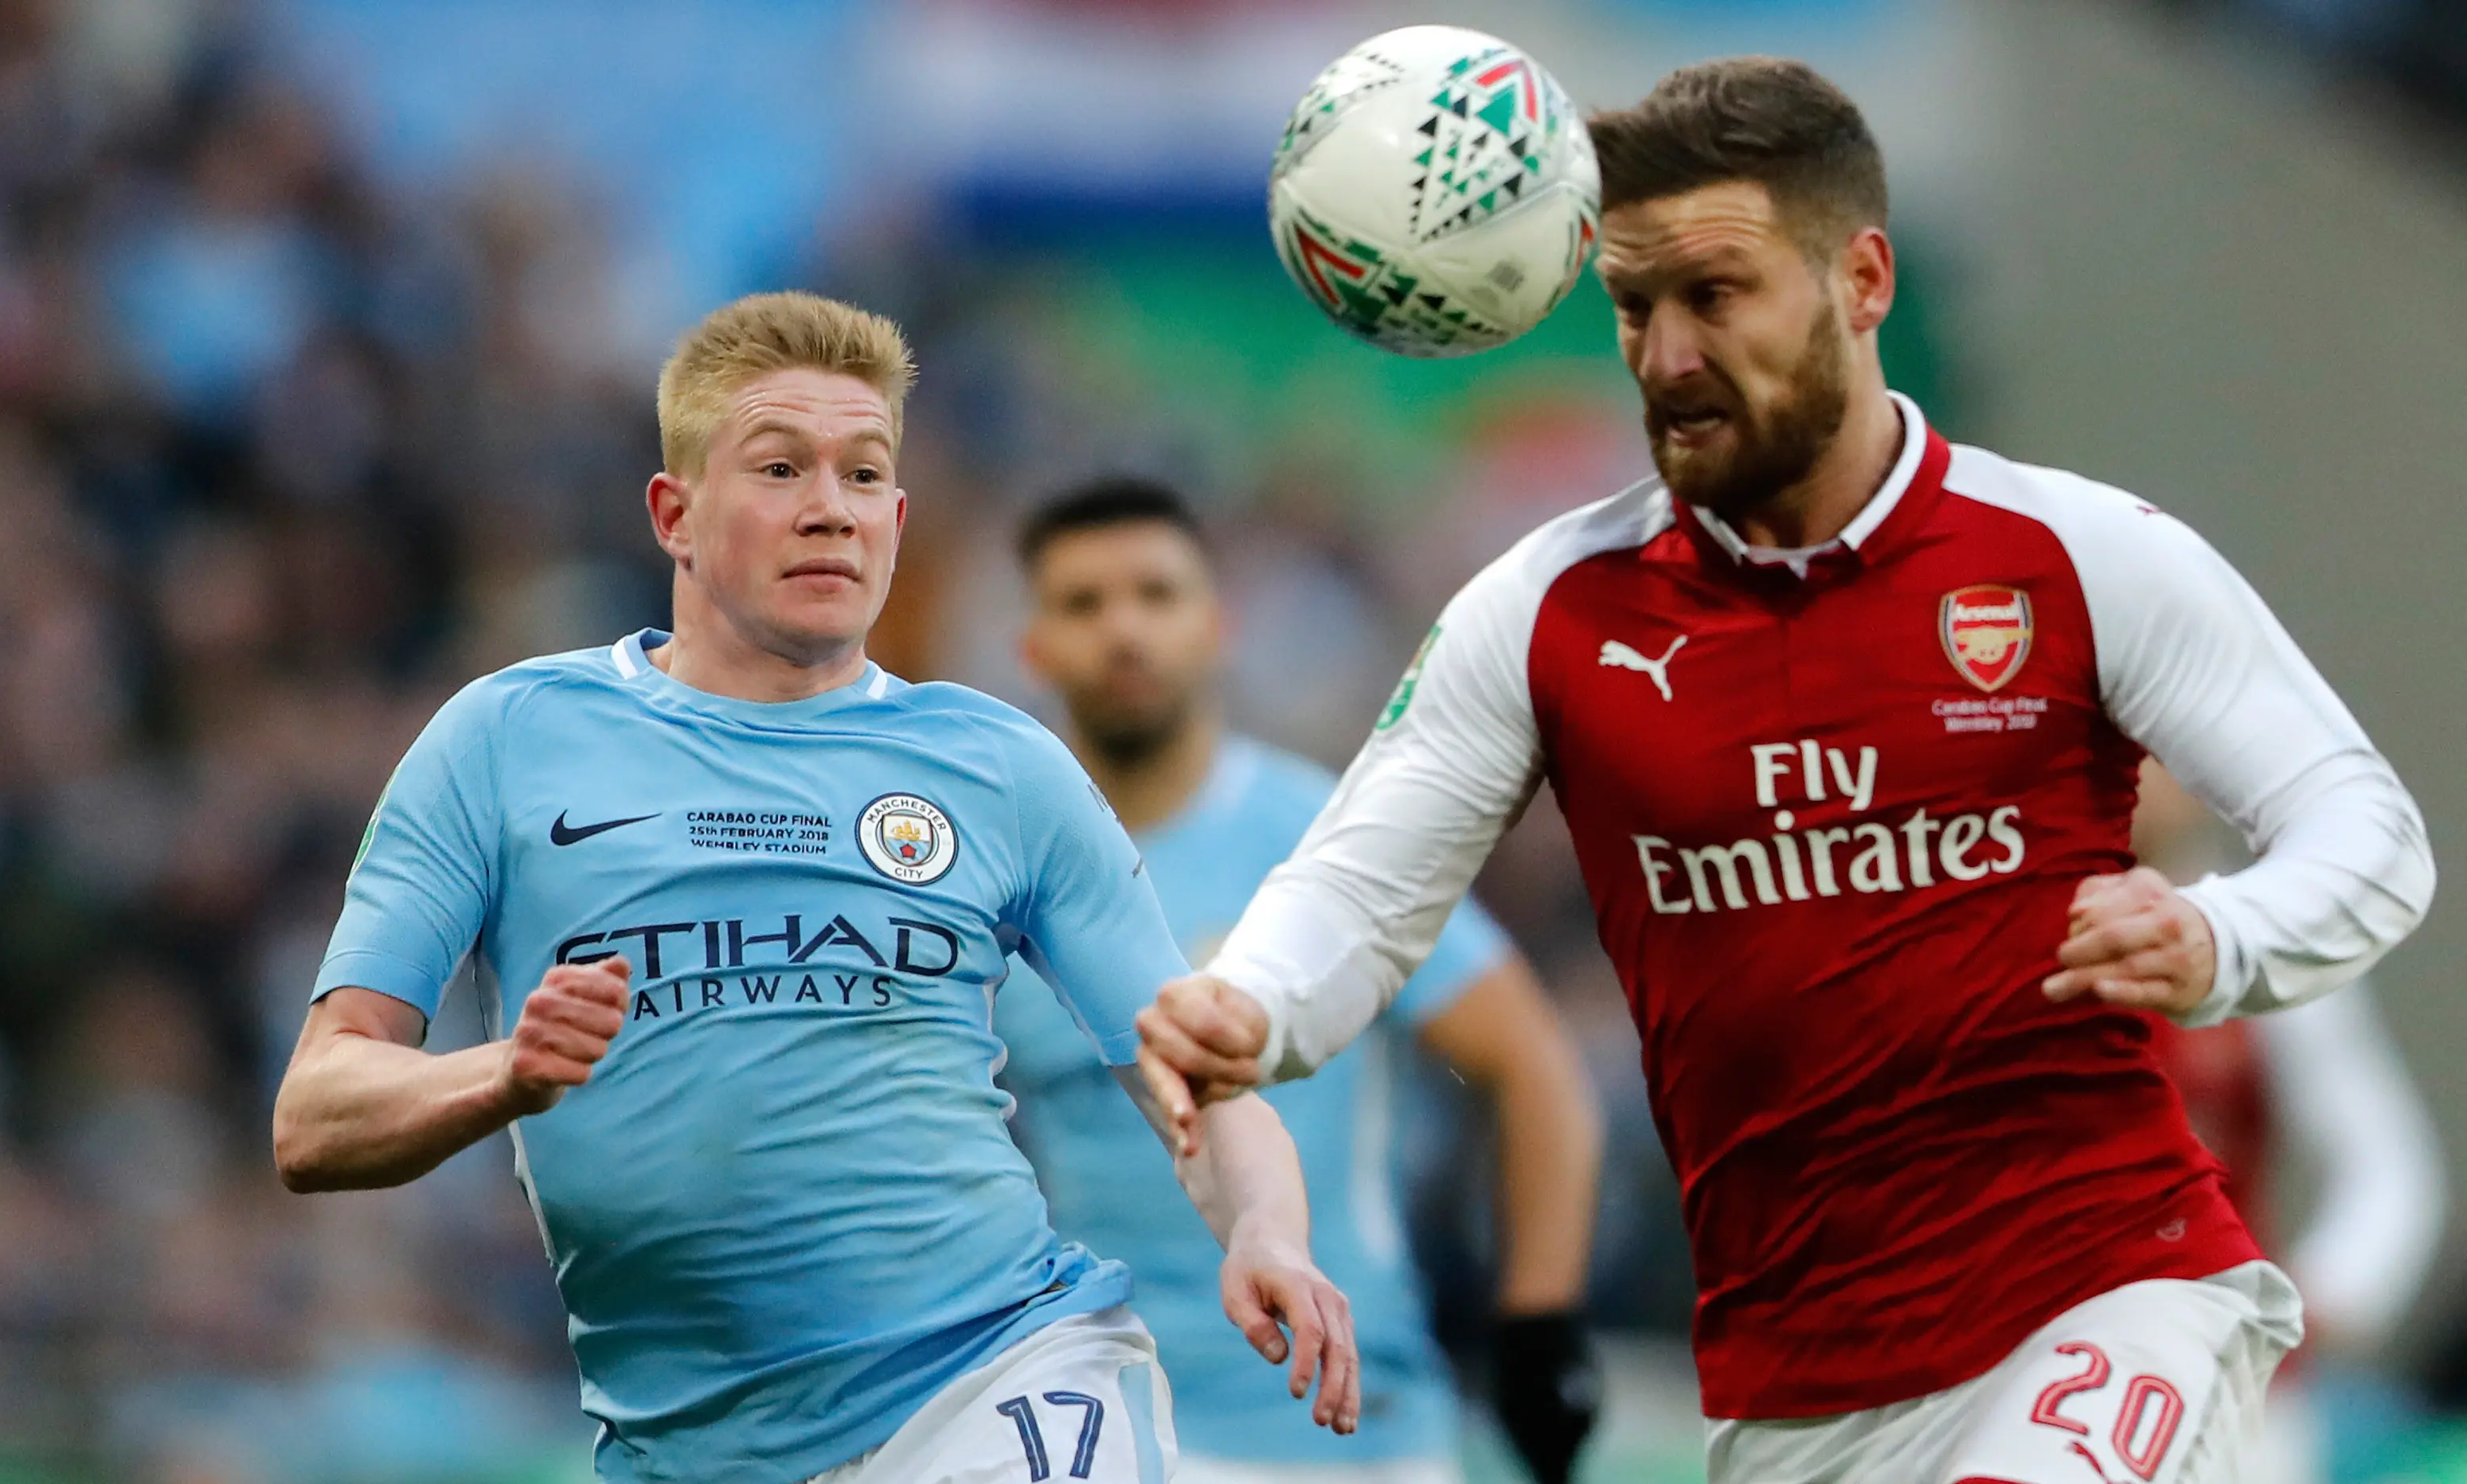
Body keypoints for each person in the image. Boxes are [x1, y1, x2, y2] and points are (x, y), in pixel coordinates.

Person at [1132, 58, 2435, 1484]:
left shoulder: (2076, 553)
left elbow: (2364, 830)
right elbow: (1357, 888)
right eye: (1633, 307)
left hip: (2109, 1286)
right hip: (1793, 1379)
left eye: (1714, 294)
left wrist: (2217, 931)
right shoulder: (1544, 610)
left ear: (1860, 280)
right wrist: (1248, 1000)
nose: (1665, 354)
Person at [269, 292, 1359, 1484]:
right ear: (675, 515)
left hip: (993, 1377)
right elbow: (314, 1113)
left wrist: (1266, 1226)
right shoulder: (506, 740)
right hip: (686, 1449)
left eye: (862, 476)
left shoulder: (999, 768)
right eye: (782, 469)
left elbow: (1190, 1072)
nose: (829, 510)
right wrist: (505, 1076)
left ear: (897, 519)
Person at [995, 479, 1606, 1484]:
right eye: (1084, 604)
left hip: (1340, 1430)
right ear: (1036, 647)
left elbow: (1531, 1060)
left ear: (1217, 625)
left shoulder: (1320, 843)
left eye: (1155, 594)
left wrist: (1539, 1325)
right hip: (1095, 1433)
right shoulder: (1006, 879)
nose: (1124, 631)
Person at [2133, 762, 2445, 1484]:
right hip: (2040, 1385)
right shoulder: (2005, 948)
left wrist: (2311, 1310)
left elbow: (2388, 1169)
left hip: (2238, 1408)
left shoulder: (2260, 935)